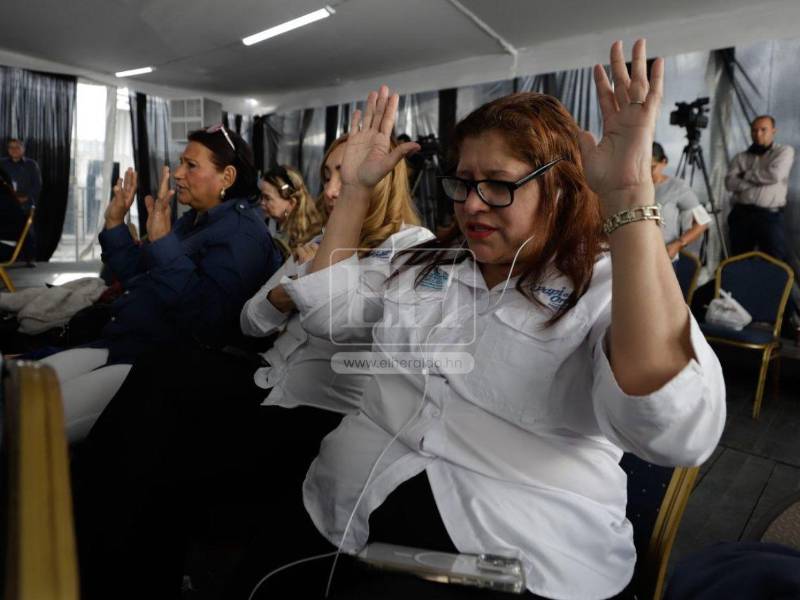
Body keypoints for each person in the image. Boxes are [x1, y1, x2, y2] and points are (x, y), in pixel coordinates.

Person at [261, 39, 723, 599]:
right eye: (462, 183)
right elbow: (329, 319)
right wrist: (356, 191)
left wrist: (628, 199)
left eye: (499, 185)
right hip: (342, 509)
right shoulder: (429, 261)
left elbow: (676, 431)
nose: (472, 203)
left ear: (558, 187)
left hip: (517, 550)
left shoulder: (603, 284)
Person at [72, 134, 434, 600]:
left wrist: (307, 284)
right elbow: (252, 318)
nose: (328, 191)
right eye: (327, 177)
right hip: (261, 379)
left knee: (165, 445)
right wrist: (284, 295)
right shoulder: (321, 240)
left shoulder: (411, 249)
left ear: (381, 181)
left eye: (341, 177)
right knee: (160, 375)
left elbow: (335, 322)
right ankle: (98, 544)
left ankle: (103, 549)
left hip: (316, 408)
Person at [42, 125, 280, 441]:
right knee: (27, 390)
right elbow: (139, 278)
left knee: (35, 425)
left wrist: (164, 244)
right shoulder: (194, 220)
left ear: (227, 177)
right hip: (126, 341)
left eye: (191, 165)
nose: (178, 173)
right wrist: (115, 224)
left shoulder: (243, 236)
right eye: (181, 162)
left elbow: (209, 321)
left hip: (159, 361)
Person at [725, 115, 795, 261]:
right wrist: (759, 180)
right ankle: (741, 284)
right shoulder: (740, 157)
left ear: (773, 131)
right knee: (739, 259)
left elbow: (774, 176)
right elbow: (729, 183)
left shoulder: (784, 151)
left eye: (764, 130)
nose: (758, 134)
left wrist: (744, 175)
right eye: (754, 130)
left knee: (775, 260)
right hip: (741, 214)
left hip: (770, 216)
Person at [651, 141, 710, 259]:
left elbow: (703, 221)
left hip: (664, 256)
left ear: (664, 162)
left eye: (652, 167)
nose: (646, 172)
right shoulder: (631, 188)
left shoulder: (676, 187)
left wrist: (678, 244)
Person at [259, 164, 324, 258]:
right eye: (261, 197)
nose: (262, 203)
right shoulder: (272, 224)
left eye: (267, 198)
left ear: (291, 203)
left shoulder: (306, 240)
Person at [1, 138, 42, 210]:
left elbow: (37, 186)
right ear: (8, 150)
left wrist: (25, 198)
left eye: (17, 147)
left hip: (25, 206)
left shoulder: (31, 165)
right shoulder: (2, 163)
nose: (14, 150)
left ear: (23, 149)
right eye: (11, 147)